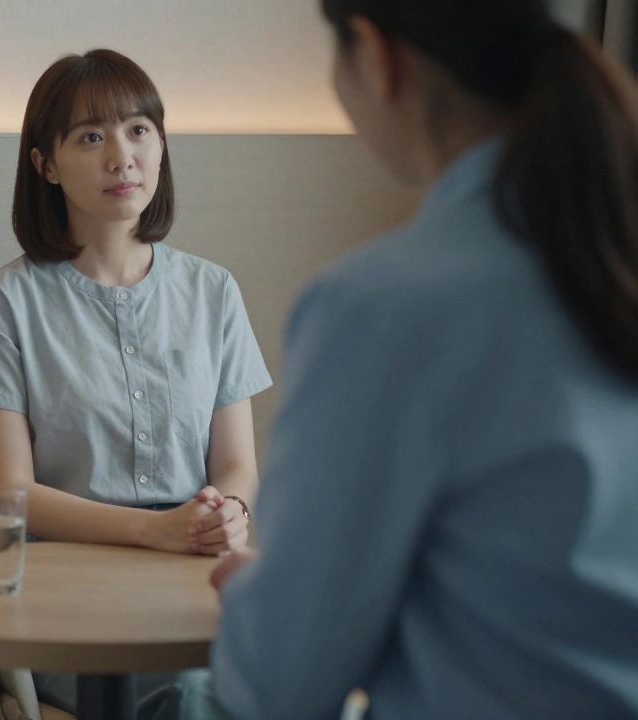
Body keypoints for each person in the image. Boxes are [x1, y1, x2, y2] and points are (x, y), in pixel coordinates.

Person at [205, 2, 638, 718]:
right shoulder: (605, 256)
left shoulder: (377, 308)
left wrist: (265, 596)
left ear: (378, 56)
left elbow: (282, 682)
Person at [0, 49, 272, 719]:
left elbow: (238, 465)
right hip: (65, 600)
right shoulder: (4, 302)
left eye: (139, 130)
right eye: (91, 137)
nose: (122, 156)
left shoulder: (213, 291)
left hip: (198, 583)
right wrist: (155, 533)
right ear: (44, 163)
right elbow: (11, 496)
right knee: (193, 694)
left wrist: (227, 515)